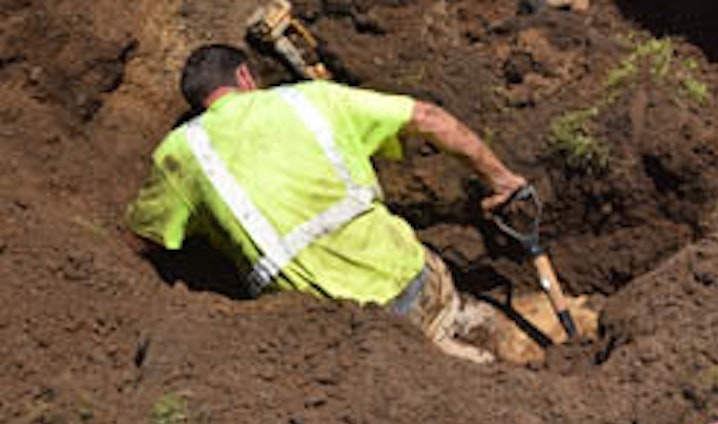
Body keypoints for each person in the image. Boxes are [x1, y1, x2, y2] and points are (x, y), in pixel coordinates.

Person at [126, 44, 528, 362]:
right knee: (467, 340)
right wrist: (502, 180)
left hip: (334, 334)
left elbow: (142, 240)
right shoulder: (310, 100)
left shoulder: (180, 155)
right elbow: (427, 116)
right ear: (245, 76)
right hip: (411, 277)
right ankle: (487, 338)